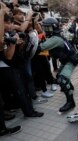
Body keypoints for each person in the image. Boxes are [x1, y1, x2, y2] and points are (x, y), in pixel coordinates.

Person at [39, 17, 78, 113]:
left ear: (53, 27)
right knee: (59, 77)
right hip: (67, 60)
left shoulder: (56, 38)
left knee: (62, 79)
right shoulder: (57, 36)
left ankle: (71, 102)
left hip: (71, 60)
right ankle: (70, 87)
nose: (46, 30)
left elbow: (41, 47)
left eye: (48, 28)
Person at [0, 2, 21, 136]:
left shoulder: (8, 33)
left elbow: (7, 54)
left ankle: (2, 127)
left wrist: (13, 42)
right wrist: (2, 12)